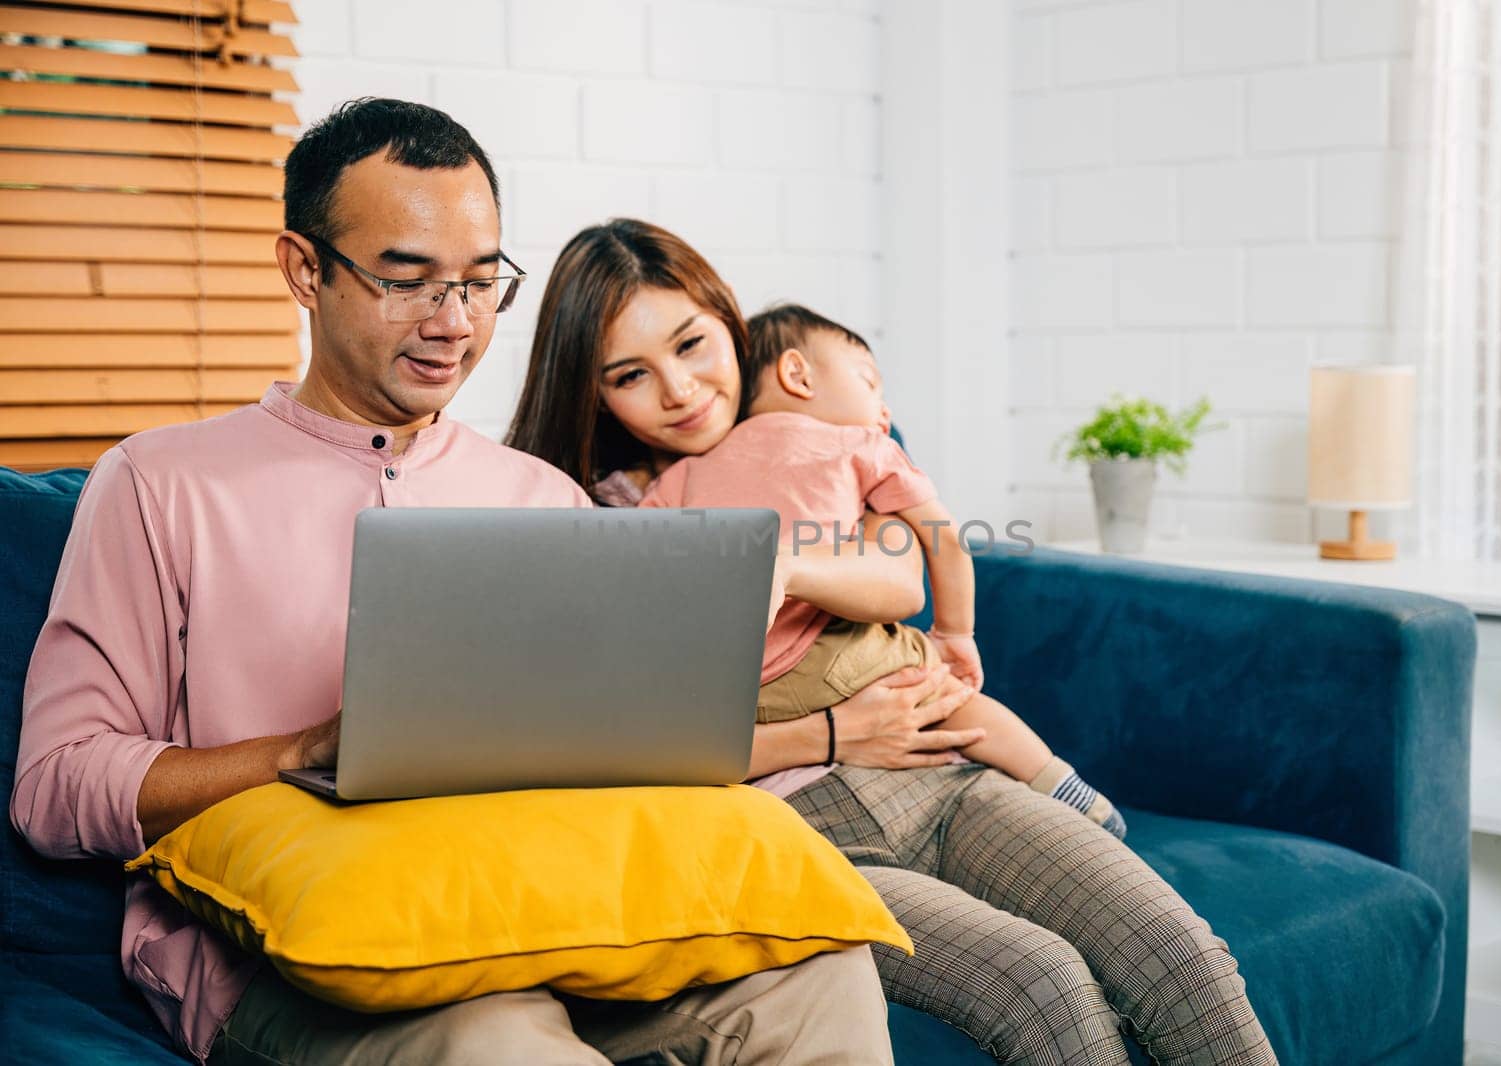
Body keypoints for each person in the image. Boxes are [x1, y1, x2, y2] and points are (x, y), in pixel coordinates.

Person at [9, 100, 894, 1066]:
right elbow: (54, 790)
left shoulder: (542, 497)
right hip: (292, 957)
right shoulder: (157, 482)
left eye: (481, 282)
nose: (455, 323)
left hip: (542, 914)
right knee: (494, 1040)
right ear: (304, 270)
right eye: (408, 280)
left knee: (822, 981)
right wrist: (303, 750)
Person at [507, 218, 1281, 1066]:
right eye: (631, 375)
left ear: (732, 325)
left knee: (1177, 951)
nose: (680, 390)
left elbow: (906, 574)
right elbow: (625, 756)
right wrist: (831, 734)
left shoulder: (830, 437)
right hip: (792, 834)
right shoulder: (596, 518)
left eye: (693, 344)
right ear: (595, 393)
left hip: (941, 777)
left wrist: (786, 563)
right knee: (1045, 987)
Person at [640, 302, 1127, 838]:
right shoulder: (862, 445)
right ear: (798, 374)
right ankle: (1063, 787)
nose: (885, 408)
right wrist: (955, 634)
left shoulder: (683, 474)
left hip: (745, 695)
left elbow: (643, 569)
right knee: (952, 702)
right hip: (837, 654)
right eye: (870, 382)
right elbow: (945, 542)